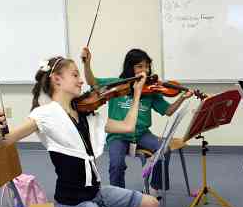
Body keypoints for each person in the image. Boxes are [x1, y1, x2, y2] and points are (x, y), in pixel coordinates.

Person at [0, 56, 158, 207]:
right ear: (57, 79)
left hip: (94, 193)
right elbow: (6, 139)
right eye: (75, 75)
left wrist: (138, 93)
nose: (81, 80)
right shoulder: (46, 114)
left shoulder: (86, 113)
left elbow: (128, 126)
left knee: (151, 205)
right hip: (72, 205)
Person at [81, 47, 193, 195]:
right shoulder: (117, 84)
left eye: (147, 66)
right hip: (118, 136)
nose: (145, 70)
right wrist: (87, 64)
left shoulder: (151, 91)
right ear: (130, 67)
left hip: (141, 134)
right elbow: (92, 82)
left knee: (164, 149)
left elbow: (168, 111)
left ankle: (153, 189)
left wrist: (182, 98)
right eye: (140, 66)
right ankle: (118, 195)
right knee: (117, 164)